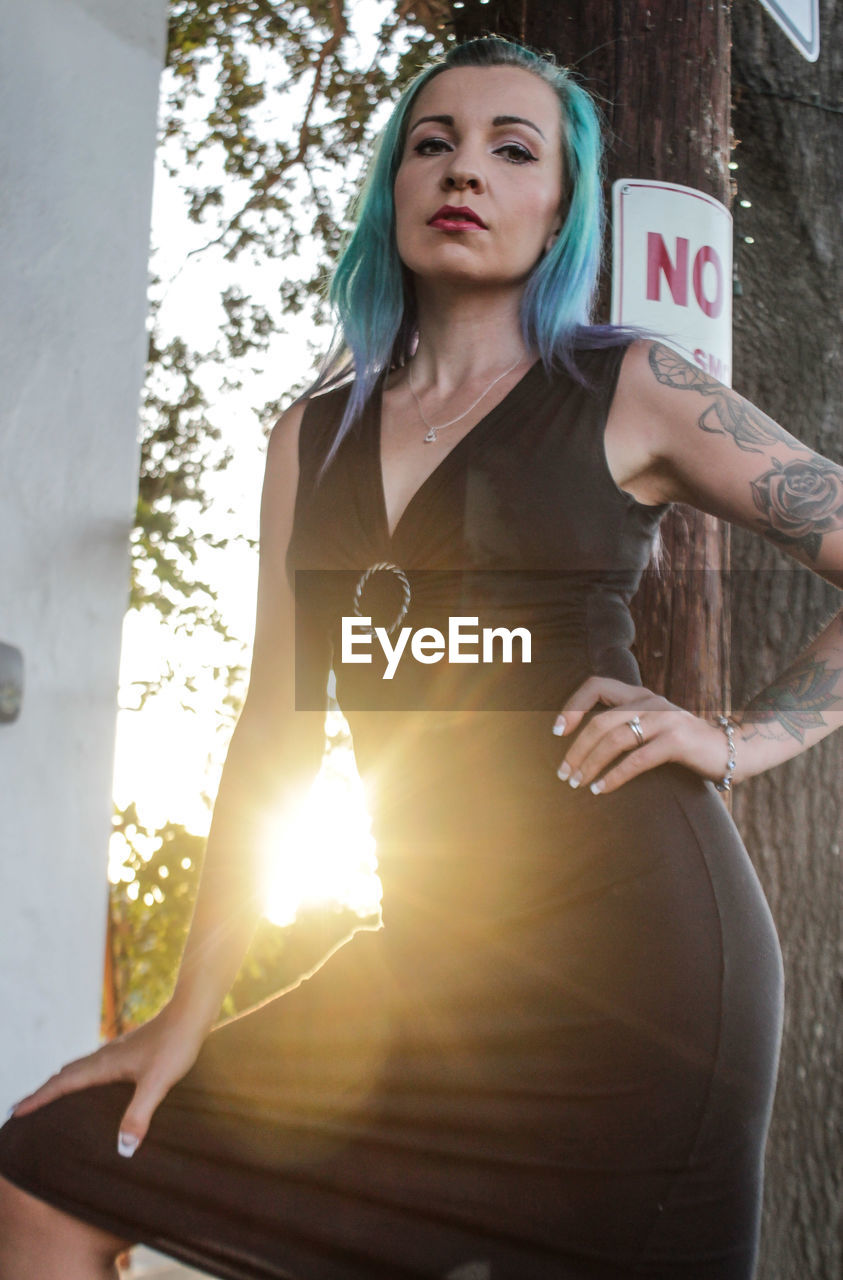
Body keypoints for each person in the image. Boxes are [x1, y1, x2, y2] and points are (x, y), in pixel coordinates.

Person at [0, 34, 840, 1280]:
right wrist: (190, 1008)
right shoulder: (309, 441)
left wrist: (736, 736)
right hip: (420, 967)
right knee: (49, 1162)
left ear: (561, 208)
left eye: (515, 150)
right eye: (433, 143)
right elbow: (275, 731)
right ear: (394, 185)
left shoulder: (629, 387)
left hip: (645, 980)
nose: (467, 171)